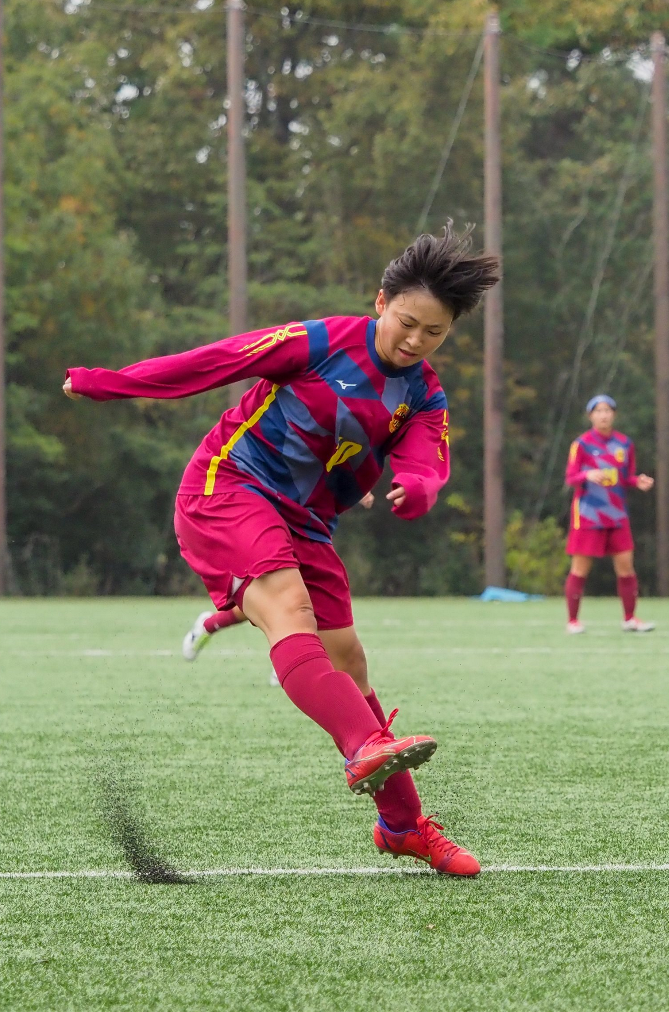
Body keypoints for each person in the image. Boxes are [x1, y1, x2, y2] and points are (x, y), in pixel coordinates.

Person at [63, 225, 499, 875]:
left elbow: (428, 460)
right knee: (289, 609)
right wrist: (110, 382)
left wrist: (416, 488)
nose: (415, 340)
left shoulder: (423, 395)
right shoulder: (317, 343)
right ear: (380, 301)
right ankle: (363, 745)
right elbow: (215, 360)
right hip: (228, 487)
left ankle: (404, 826)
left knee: (349, 660)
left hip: (306, 521)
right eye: (407, 322)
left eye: (432, 333)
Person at [181, 491, 374, 677]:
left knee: (294, 599)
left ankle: (210, 626)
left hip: (312, 526)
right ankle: (296, 656)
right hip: (273, 518)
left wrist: (356, 483)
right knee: (279, 597)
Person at [562, 395, 655, 634]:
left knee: (626, 566)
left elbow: (625, 478)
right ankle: (572, 621)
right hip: (588, 514)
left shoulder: (624, 443)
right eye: (598, 411)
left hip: (616, 514)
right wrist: (587, 475)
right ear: (590, 415)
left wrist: (638, 481)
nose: (603, 415)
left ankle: (630, 618)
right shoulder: (581, 444)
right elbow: (571, 477)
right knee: (580, 568)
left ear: (614, 414)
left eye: (607, 410)